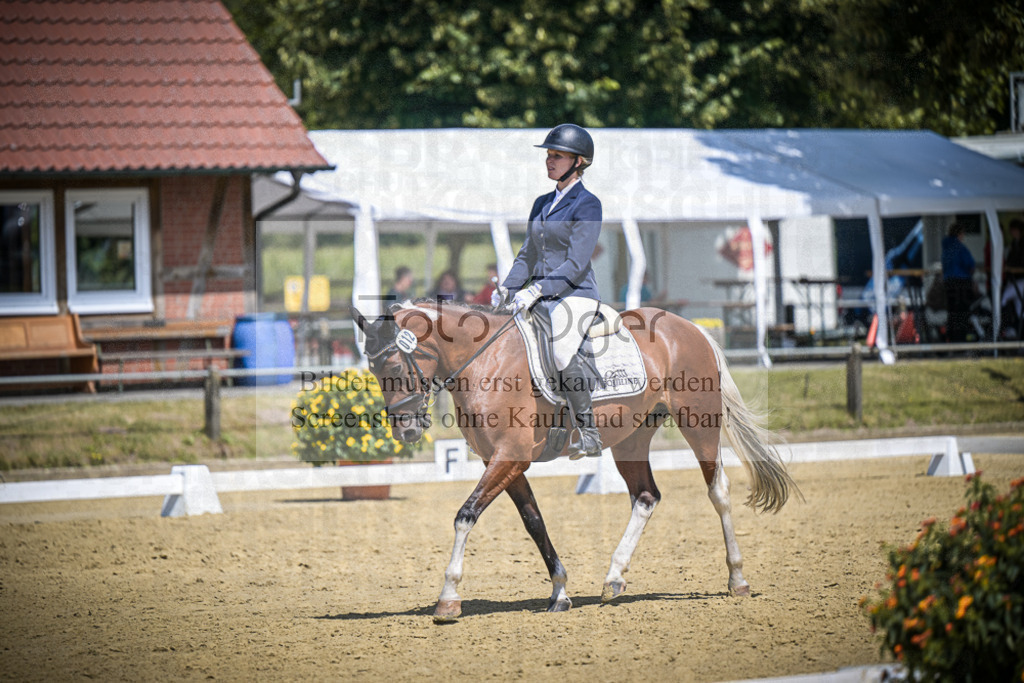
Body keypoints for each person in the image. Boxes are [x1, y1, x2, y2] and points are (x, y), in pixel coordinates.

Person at [493, 123, 603, 459]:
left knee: (560, 352)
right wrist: (508, 288)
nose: (549, 161)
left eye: (557, 156)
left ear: (579, 162)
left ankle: (589, 433)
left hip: (575, 294)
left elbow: (575, 263)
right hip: (538, 295)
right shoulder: (542, 203)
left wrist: (537, 289)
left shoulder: (588, 204)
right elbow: (528, 254)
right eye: (549, 155)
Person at [941, 222, 976, 342]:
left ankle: (950, 338)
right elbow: (970, 264)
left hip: (948, 283)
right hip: (961, 284)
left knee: (952, 312)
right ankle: (960, 340)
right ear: (960, 234)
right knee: (962, 313)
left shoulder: (945, 247)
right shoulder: (960, 247)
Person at [1001, 219, 1024, 333]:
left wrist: (1012, 267)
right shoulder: (1014, 244)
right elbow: (1010, 260)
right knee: (1019, 307)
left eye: (1013, 230)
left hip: (1020, 279)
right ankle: (1016, 332)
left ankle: (1007, 326)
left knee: (1003, 299)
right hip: (1015, 278)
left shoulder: (1021, 244)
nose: (1011, 233)